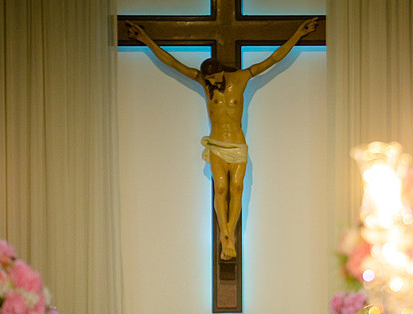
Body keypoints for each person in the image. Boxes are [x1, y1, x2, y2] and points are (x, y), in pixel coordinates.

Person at [126, 18, 318, 261]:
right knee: (220, 187)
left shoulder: (241, 78)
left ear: (221, 71)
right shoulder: (205, 83)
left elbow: (273, 59)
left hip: (237, 145)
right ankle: (225, 236)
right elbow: (173, 62)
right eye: (210, 80)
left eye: (215, 78)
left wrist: (298, 34)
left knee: (236, 188)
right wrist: (145, 39)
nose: (212, 83)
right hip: (217, 144)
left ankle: (232, 235)